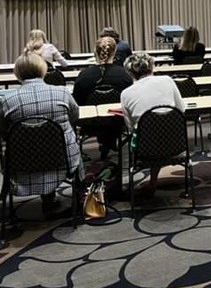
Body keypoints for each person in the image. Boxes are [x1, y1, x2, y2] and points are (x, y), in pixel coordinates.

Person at [0, 53, 82, 216]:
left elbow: (3, 131)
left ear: (17, 73)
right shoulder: (62, 93)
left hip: (22, 163)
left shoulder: (7, 101)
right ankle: (78, 197)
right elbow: (75, 117)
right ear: (43, 70)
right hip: (63, 160)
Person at [121, 53, 186, 195]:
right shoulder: (168, 81)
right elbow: (181, 110)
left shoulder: (125, 94)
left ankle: (149, 183)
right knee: (160, 129)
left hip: (146, 148)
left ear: (130, 73)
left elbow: (130, 128)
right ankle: (153, 182)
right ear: (152, 67)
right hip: (176, 144)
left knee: (149, 133)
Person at [73, 36, 133, 160]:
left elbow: (77, 102)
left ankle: (105, 144)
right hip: (118, 122)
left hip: (90, 123)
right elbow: (129, 100)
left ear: (95, 52)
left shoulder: (84, 75)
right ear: (115, 52)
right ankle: (110, 143)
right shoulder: (124, 74)